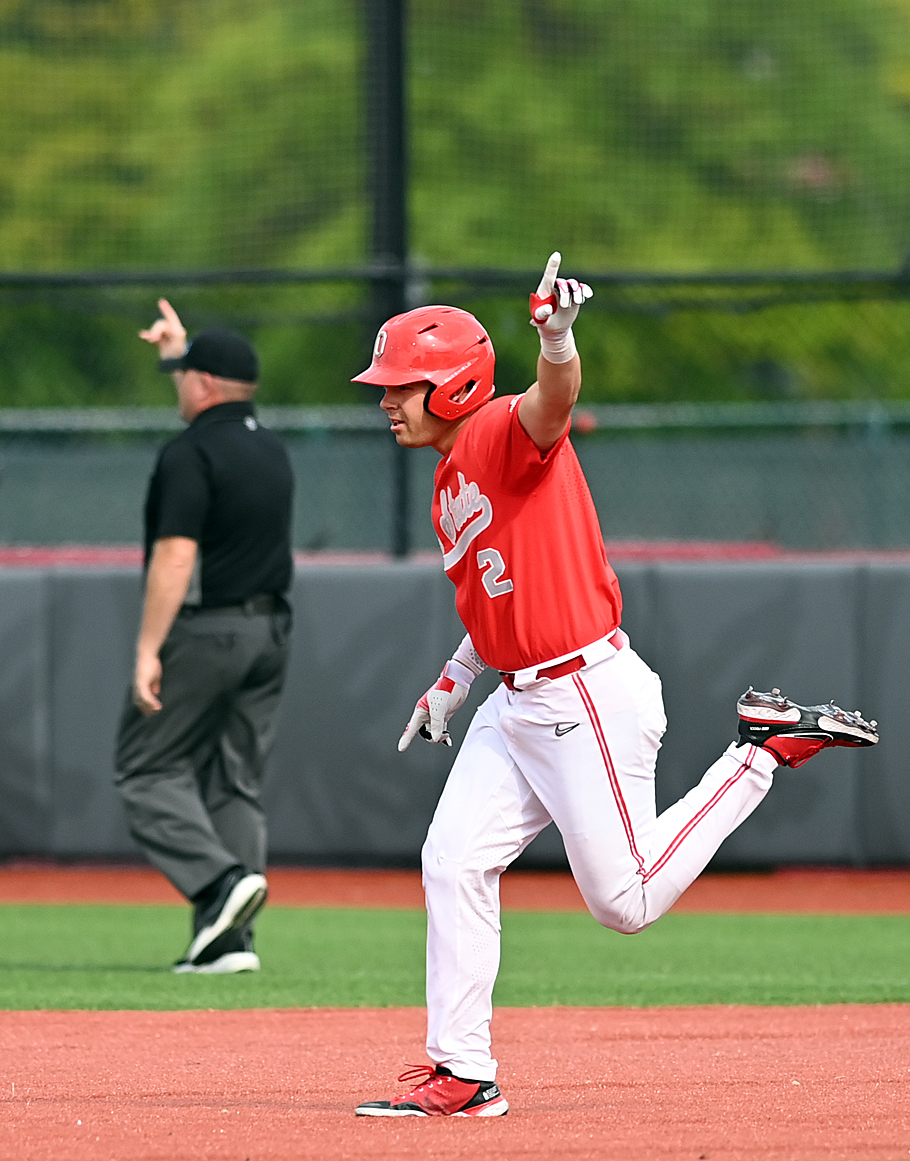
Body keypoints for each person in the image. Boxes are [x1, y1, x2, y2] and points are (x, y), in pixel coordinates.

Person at [350, 253, 879, 1117]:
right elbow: (494, 593)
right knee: (450, 861)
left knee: (625, 901)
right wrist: (455, 674)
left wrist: (557, 338)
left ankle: (760, 753)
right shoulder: (453, 473)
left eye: (401, 384)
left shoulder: (494, 433)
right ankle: (463, 1070)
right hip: (516, 700)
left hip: (583, 694)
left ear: (450, 388)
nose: (385, 399)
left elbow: (550, 402)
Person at [114, 300, 294, 974]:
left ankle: (220, 884)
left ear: (206, 383)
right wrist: (177, 351)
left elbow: (176, 556)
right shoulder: (270, 447)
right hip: (272, 629)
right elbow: (205, 398)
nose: (179, 380)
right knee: (234, 782)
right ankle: (228, 941)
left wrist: (145, 650)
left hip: (208, 629)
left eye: (185, 372)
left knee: (145, 768)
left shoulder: (189, 452)